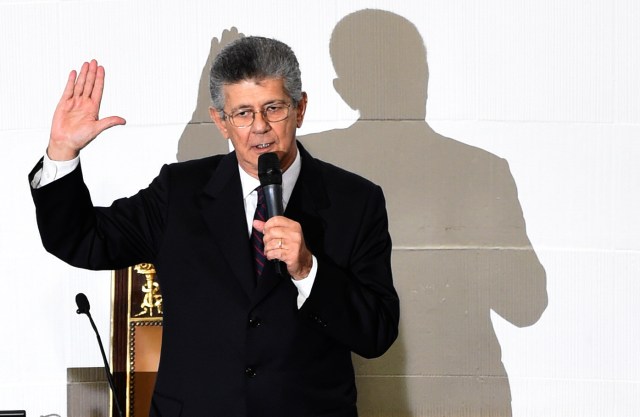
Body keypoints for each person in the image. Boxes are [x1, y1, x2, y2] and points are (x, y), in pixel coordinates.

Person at [29, 36, 399, 417]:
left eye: (273, 108)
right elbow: (81, 240)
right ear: (220, 121)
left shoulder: (356, 201)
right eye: (242, 113)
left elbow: (378, 333)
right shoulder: (179, 191)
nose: (260, 128)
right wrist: (62, 152)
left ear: (300, 108)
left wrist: (308, 271)